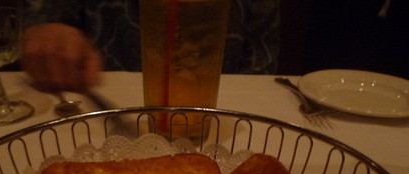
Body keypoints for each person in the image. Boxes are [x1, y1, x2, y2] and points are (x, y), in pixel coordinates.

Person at [21, 0, 280, 92]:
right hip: (105, 114)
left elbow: (262, 71)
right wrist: (49, 32)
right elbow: (50, 19)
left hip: (219, 126)